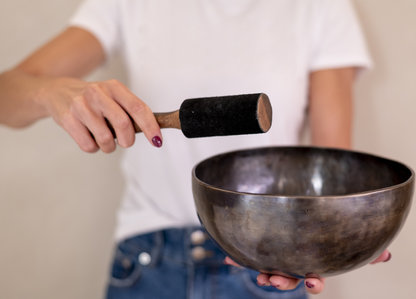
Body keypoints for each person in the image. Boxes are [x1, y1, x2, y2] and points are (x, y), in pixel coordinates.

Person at [0, 0, 392, 298]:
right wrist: (51, 91)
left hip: (265, 259)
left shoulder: (320, 7)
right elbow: (6, 97)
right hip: (147, 261)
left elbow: (331, 174)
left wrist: (337, 234)